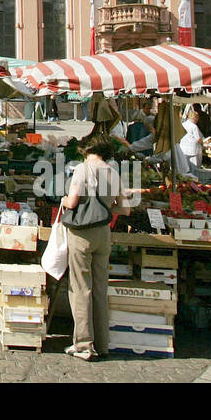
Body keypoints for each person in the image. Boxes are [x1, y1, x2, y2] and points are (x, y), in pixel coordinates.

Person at [60, 134, 123, 361]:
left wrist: (64, 201)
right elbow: (123, 209)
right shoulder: (114, 173)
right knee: (100, 288)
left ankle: (84, 345)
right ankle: (102, 343)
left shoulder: (82, 169)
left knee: (80, 288)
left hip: (82, 232)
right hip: (103, 233)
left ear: (86, 150)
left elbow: (73, 201)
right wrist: (103, 208)